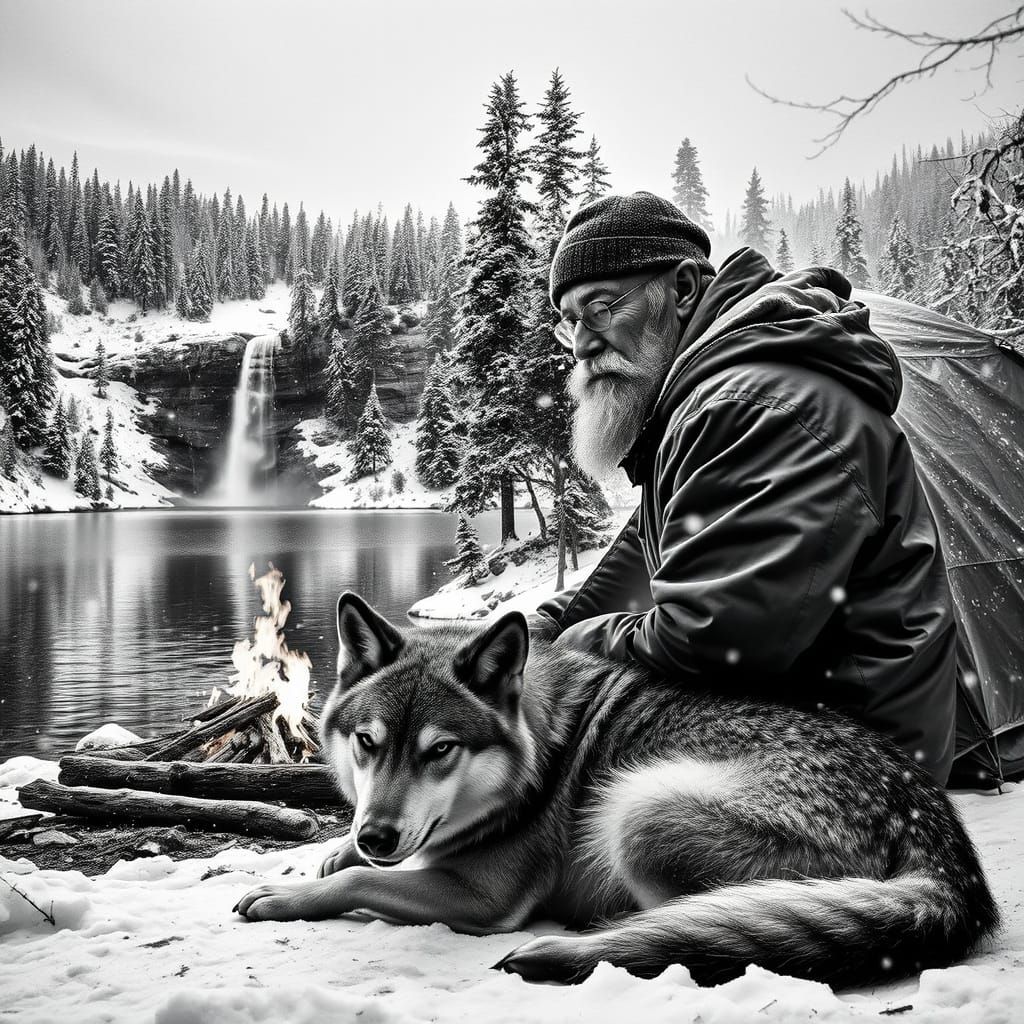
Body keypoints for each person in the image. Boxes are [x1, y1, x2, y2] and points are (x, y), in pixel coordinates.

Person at [532, 191, 957, 786]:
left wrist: (566, 647)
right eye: (570, 322)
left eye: (602, 309)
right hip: (794, 743)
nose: (582, 344)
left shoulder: (757, 406)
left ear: (682, 291)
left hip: (849, 784)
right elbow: (649, 561)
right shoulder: (701, 403)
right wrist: (539, 629)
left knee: (506, 817)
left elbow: (714, 641)